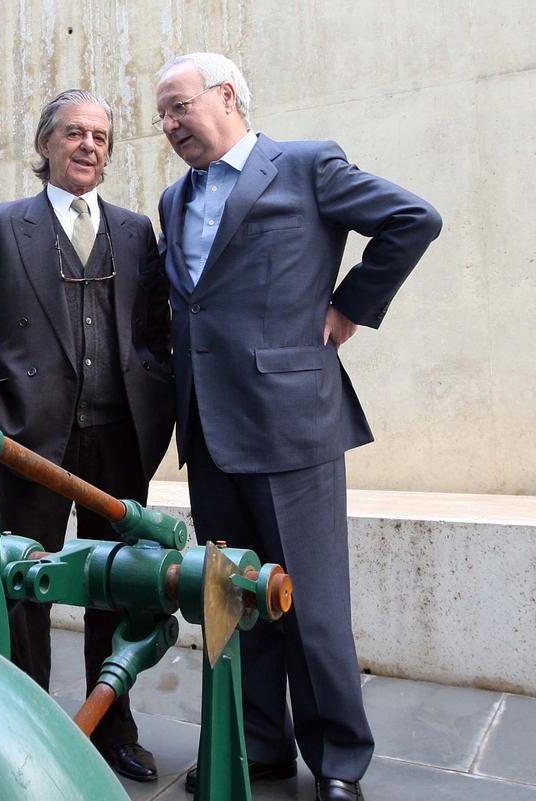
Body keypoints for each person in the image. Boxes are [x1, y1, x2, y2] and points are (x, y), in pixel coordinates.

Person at [152, 53, 441, 801]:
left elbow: (414, 219)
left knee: (309, 604)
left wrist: (350, 306)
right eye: (162, 114)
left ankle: (340, 762)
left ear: (226, 96)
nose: (170, 124)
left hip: (291, 425)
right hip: (208, 429)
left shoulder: (307, 166)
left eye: (179, 106)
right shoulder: (171, 200)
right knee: (236, 599)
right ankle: (261, 746)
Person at [0, 89, 175, 782]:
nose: (89, 147)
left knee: (121, 583)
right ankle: (28, 728)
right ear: (45, 145)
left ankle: (113, 728)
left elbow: (156, 330)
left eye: (101, 137)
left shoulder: (135, 231)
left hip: (118, 437)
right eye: (74, 133)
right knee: (26, 585)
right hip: (31, 439)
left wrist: (153, 399)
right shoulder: (1, 224)